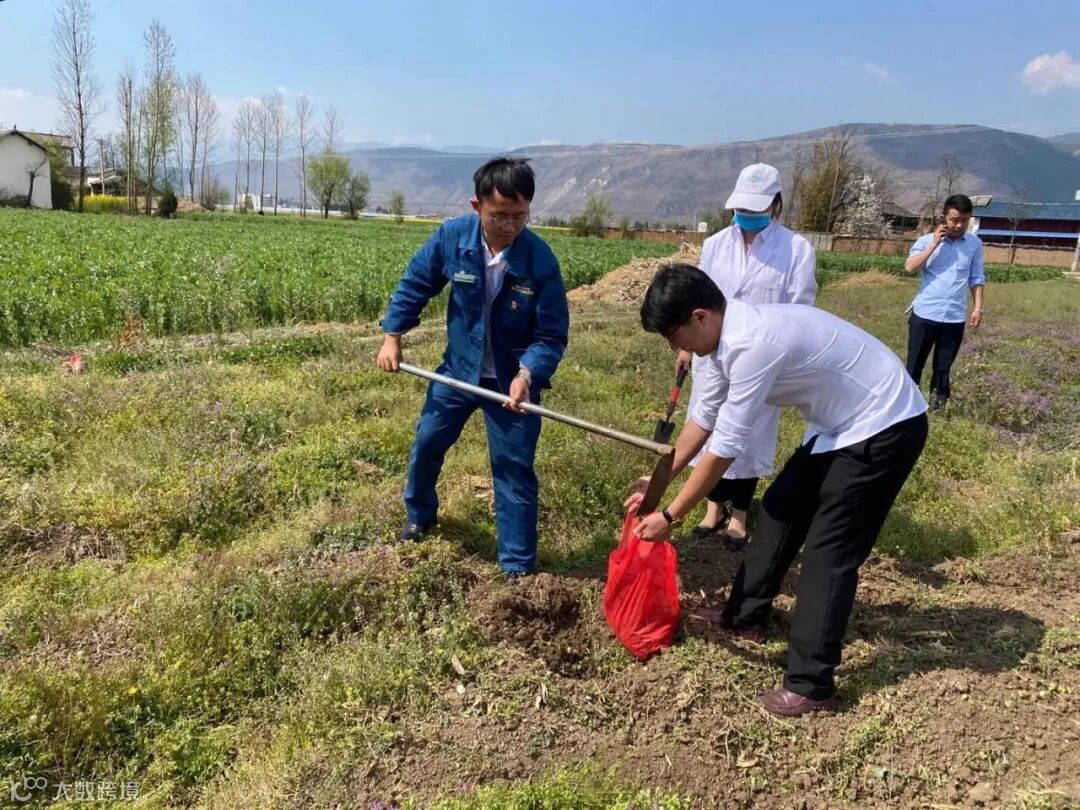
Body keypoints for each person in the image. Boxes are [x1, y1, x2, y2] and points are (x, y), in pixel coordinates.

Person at [629, 264, 928, 717]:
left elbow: (725, 446)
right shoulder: (721, 342)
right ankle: (744, 617)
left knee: (829, 552)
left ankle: (812, 685)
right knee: (779, 509)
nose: (677, 349)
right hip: (837, 426)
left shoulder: (753, 344)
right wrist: (660, 480)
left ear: (700, 317)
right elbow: (703, 419)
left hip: (885, 423)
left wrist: (671, 516)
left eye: (674, 337)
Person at [377, 157, 569, 580]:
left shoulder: (540, 260)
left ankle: (517, 566)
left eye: (520, 216)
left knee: (513, 467)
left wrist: (527, 374)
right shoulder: (453, 238)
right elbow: (416, 282)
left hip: (511, 382)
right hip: (458, 371)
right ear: (477, 206)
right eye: (499, 215)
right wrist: (393, 334)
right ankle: (420, 516)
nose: (510, 226)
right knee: (428, 441)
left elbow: (551, 335)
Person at [677, 163, 816, 549]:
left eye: (755, 208)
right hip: (712, 352)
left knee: (749, 434)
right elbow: (696, 299)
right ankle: (713, 506)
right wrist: (687, 346)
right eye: (741, 208)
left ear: (775, 204)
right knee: (707, 425)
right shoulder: (716, 244)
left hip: (762, 359)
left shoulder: (796, 249)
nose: (746, 215)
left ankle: (739, 513)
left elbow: (800, 310)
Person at [904, 194, 985, 410]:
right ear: (944, 218)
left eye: (964, 221)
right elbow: (910, 267)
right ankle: (909, 407)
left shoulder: (975, 244)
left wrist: (978, 308)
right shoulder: (925, 241)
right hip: (925, 314)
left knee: (943, 367)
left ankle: (938, 407)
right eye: (954, 220)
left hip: (954, 318)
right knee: (914, 364)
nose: (959, 225)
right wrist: (934, 244)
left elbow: (976, 277)